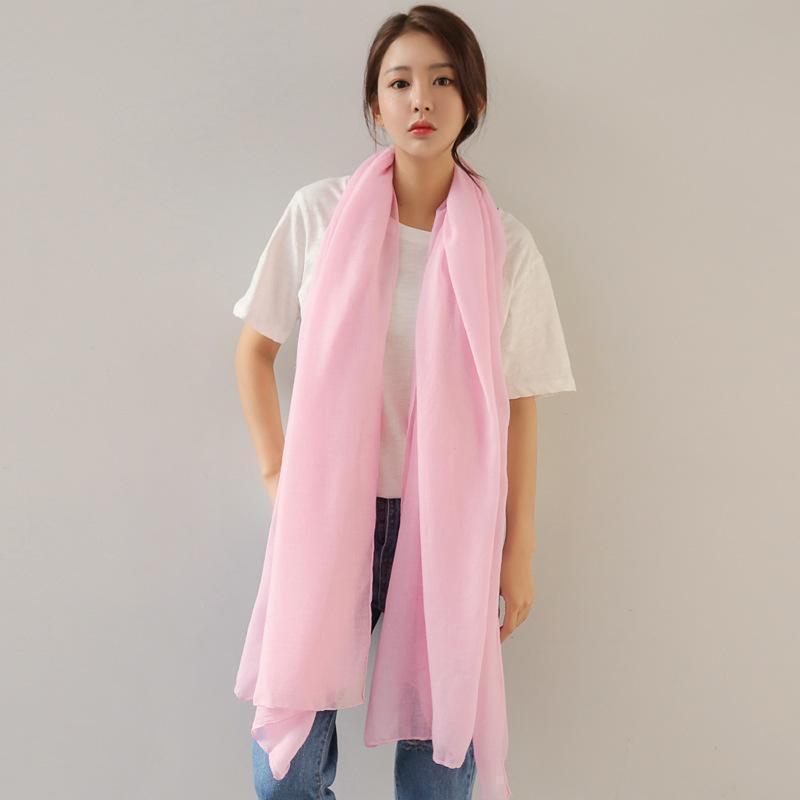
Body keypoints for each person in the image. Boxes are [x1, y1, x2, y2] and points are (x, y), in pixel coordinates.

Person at [232, 6, 576, 799]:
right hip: (331, 512)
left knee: (437, 757)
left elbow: (522, 404)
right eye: (400, 82)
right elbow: (254, 350)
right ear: (375, 104)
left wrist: (518, 548)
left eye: (443, 80)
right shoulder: (319, 214)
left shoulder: (506, 248)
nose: (421, 98)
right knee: (286, 767)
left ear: (473, 102)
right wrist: (279, 475)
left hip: (448, 522)